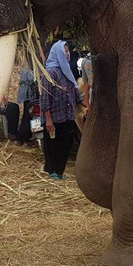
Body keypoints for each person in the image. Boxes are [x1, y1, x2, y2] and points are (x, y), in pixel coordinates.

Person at [40, 40, 85, 180]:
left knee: (66, 143)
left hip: (67, 116)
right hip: (54, 117)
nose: (67, 54)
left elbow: (76, 94)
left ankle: (59, 171)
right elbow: (45, 98)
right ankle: (52, 171)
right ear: (57, 53)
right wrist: (48, 119)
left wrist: (87, 106)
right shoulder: (50, 73)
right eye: (64, 51)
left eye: (68, 51)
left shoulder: (67, 72)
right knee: (53, 144)